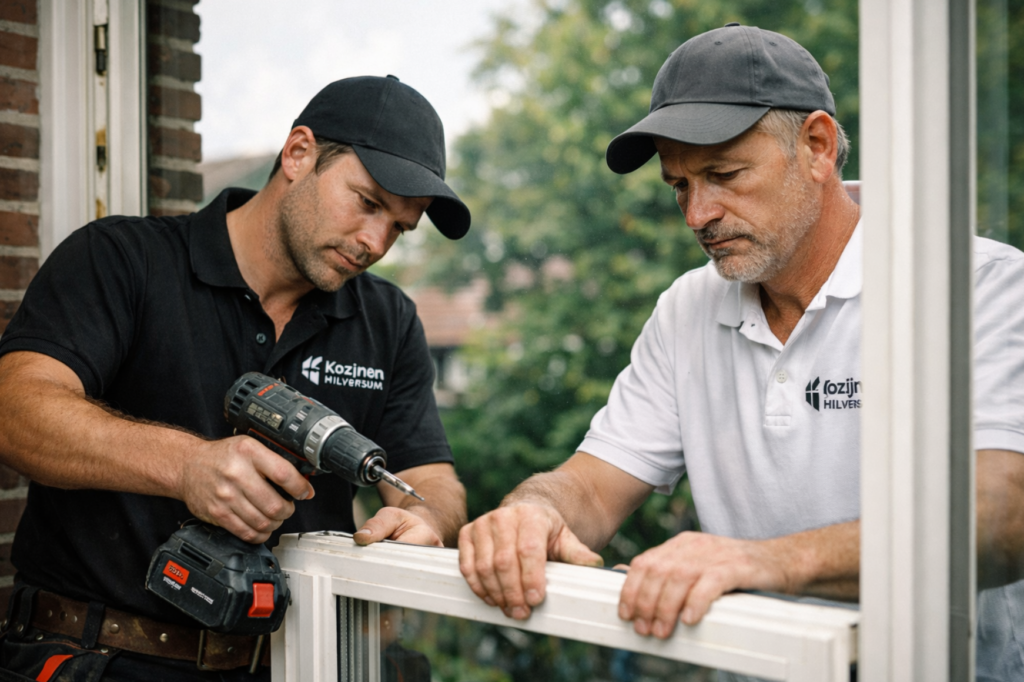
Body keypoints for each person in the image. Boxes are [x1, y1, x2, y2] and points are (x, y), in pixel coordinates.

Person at [457, 24, 1024, 680]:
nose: (698, 215)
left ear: (817, 146)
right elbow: (590, 486)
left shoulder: (974, 282)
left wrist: (764, 561)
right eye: (679, 186)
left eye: (723, 175)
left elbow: (1004, 516)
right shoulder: (685, 309)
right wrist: (534, 512)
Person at [0, 75, 469, 681]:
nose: (375, 242)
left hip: (299, 662)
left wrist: (425, 522)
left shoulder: (388, 319)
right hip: (99, 656)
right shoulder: (122, 259)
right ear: (298, 153)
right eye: (368, 202)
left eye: (401, 228)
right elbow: (15, 408)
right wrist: (187, 466)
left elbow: (432, 479)